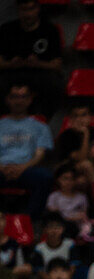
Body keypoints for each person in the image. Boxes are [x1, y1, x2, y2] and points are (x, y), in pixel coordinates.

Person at [0, 0, 64, 119]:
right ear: (18, 10)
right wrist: (10, 64)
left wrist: (38, 63)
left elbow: (57, 65)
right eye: (24, 10)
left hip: (39, 72)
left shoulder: (50, 30)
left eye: (31, 9)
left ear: (38, 8)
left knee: (54, 84)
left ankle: (42, 119)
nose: (28, 14)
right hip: (13, 72)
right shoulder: (6, 30)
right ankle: (5, 120)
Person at [0, 83, 54, 218]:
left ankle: (30, 220)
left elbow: (40, 154)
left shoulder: (40, 127)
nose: (19, 101)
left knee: (45, 177)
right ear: (7, 99)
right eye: (14, 97)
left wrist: (22, 168)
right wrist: (2, 168)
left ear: (30, 100)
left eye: (23, 97)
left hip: (27, 169)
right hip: (1, 168)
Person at [54, 105, 94, 186]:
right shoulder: (66, 135)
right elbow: (81, 158)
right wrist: (85, 134)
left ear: (90, 117)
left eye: (83, 115)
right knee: (86, 165)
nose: (80, 119)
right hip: (68, 168)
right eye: (76, 116)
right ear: (71, 119)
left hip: (93, 166)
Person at [44, 161, 94, 241]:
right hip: (62, 229)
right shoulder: (54, 197)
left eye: (71, 179)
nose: (68, 182)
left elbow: (84, 215)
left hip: (80, 228)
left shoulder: (82, 197)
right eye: (65, 179)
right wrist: (69, 218)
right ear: (58, 180)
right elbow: (54, 216)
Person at [28, 212, 75, 278]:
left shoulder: (70, 244)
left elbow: (73, 267)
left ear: (63, 229)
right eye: (51, 227)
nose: (54, 231)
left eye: (57, 227)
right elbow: (40, 271)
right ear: (45, 230)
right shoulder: (39, 248)